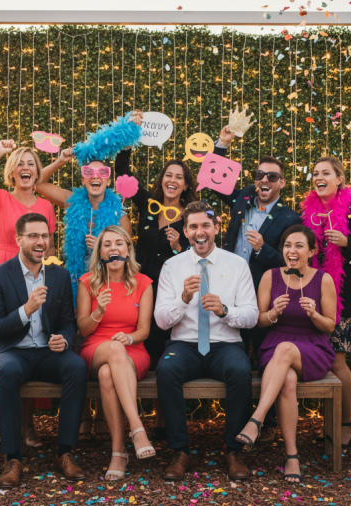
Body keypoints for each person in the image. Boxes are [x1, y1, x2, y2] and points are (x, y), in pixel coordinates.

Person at [113, 111, 230, 440]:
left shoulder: (195, 214)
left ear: (186, 184)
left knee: (168, 346)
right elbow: (123, 174)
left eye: (179, 176)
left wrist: (180, 246)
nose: (172, 180)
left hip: (177, 287)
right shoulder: (148, 204)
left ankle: (165, 423)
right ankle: (144, 420)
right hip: (143, 283)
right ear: (162, 180)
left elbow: (204, 249)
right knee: (147, 345)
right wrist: (130, 135)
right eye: (168, 175)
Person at [0, 139, 72, 445]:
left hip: (38, 273)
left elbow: (48, 248)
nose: (25, 168)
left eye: (31, 164)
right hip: (4, 270)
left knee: (36, 340)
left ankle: (28, 425)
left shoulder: (45, 205)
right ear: (12, 172)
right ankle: (10, 426)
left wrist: (49, 274)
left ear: (37, 172)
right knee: (9, 346)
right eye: (20, 164)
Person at [154, 201, 259, 481]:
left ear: (216, 228)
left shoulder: (237, 265)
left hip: (226, 345)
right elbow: (161, 321)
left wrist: (225, 310)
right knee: (166, 369)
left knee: (240, 370)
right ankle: (180, 451)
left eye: (205, 225)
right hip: (184, 345)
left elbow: (251, 316)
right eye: (193, 227)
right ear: (185, 231)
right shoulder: (171, 266)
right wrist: (183, 299)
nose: (199, 232)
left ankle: (234, 451)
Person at [0, 213, 88, 487]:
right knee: (7, 370)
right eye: (33, 236)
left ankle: (64, 453)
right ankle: (12, 458)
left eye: (45, 236)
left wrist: (64, 339)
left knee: (77, 367)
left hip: (46, 352)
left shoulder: (59, 276)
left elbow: (67, 323)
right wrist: (26, 310)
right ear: (18, 239)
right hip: (11, 351)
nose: (40, 241)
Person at [211, 129, 302, 445]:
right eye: (260, 175)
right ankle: (237, 420)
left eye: (272, 176)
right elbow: (215, 181)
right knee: (235, 354)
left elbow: (291, 261)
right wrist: (222, 144)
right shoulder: (242, 201)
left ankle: (267, 422)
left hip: (264, 295)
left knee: (264, 354)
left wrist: (263, 248)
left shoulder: (290, 217)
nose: (265, 180)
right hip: (231, 290)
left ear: (281, 183)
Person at [234, 224, 338, 483]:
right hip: (275, 346)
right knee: (287, 379)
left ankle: (256, 419)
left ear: (311, 251)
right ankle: (292, 456)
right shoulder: (270, 276)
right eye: (288, 245)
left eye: (299, 246)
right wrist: (273, 313)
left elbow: (330, 326)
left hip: (313, 348)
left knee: (286, 349)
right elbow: (259, 321)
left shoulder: (323, 279)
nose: (292, 250)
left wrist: (314, 314)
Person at [300, 156, 351, 449]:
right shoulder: (307, 211)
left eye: (325, 173)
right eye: (315, 173)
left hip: (344, 297)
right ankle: (330, 423)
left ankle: (346, 424)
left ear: (339, 179)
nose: (318, 177)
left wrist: (348, 244)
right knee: (320, 360)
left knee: (337, 361)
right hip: (314, 296)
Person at [76, 226, 156, 480]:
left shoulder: (143, 283)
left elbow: (144, 330)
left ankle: (118, 452)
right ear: (100, 253)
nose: (113, 248)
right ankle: (137, 428)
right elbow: (83, 329)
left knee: (107, 375)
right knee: (113, 349)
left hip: (133, 350)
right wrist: (98, 312)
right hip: (96, 347)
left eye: (119, 243)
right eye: (107, 244)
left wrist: (129, 337)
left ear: (128, 250)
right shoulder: (87, 282)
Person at [35, 113, 139, 299]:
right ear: (83, 179)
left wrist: (102, 247)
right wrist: (60, 161)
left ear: (108, 180)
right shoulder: (71, 201)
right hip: (75, 284)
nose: (95, 176)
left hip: (108, 287)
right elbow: (39, 183)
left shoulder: (120, 217)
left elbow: (127, 258)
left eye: (102, 172)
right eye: (89, 172)